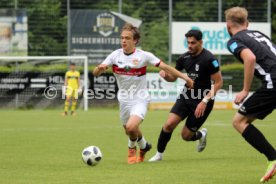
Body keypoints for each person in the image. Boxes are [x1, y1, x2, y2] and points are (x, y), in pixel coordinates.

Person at [93, 23, 193, 164]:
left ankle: (131, 149)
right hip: (124, 100)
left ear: (135, 41)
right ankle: (145, 146)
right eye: (122, 38)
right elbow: (95, 74)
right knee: (130, 131)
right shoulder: (115, 55)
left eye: (127, 38)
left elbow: (166, 67)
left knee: (131, 127)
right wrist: (100, 68)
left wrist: (185, 78)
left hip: (140, 99)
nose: (123, 41)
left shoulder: (143, 56)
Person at [149, 29, 223, 162]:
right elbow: (173, 77)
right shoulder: (184, 58)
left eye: (193, 43)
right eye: (188, 42)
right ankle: (159, 154)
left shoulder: (210, 59)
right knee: (168, 125)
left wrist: (204, 101)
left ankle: (200, 134)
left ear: (200, 42)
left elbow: (218, 83)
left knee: (186, 136)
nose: (189, 45)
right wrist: (165, 76)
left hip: (203, 101)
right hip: (186, 97)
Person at [225, 7, 276, 183]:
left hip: (273, 82)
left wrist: (245, 90)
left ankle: (273, 158)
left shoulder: (234, 40)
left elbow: (250, 58)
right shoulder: (259, 34)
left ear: (227, 25)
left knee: (239, 121)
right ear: (247, 23)